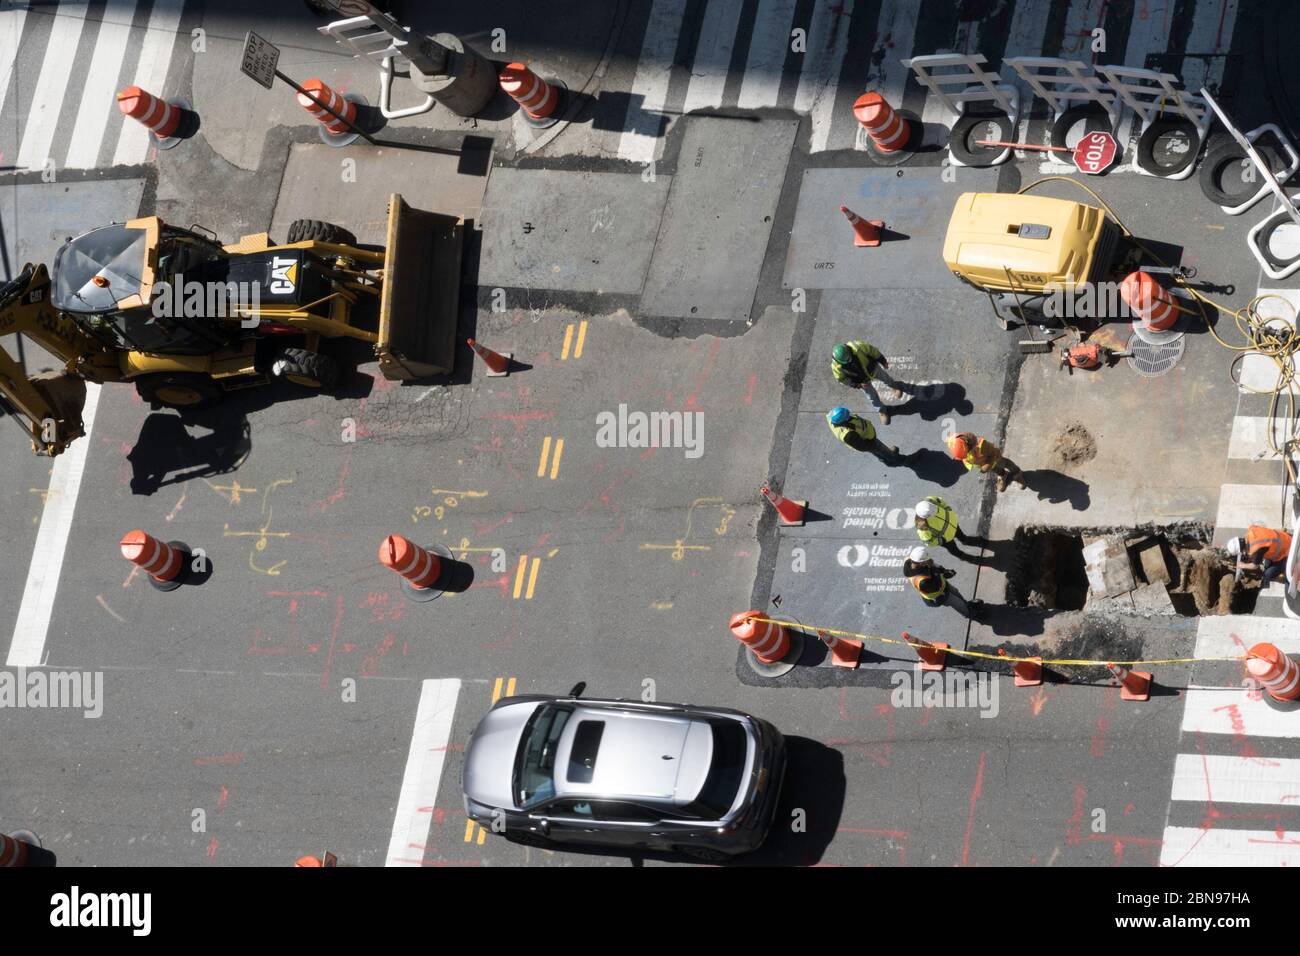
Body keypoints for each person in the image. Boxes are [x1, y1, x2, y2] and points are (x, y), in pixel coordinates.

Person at [831, 341, 913, 425]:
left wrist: (883, 361)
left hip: (873, 369)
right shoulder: (836, 367)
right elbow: (842, 379)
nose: (849, 360)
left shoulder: (858, 347)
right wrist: (857, 385)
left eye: (849, 357)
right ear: (839, 361)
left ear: (848, 350)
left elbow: (873, 351)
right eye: (847, 360)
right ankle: (882, 411)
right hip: (862, 381)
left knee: (886, 379)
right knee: (872, 397)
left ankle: (895, 386)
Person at [901, 547, 984, 619]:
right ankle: (970, 614)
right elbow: (936, 586)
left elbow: (933, 565)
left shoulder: (912, 560)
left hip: (943, 586)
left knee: (956, 593)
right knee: (958, 604)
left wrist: (944, 570)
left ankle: (967, 605)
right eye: (927, 560)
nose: (930, 561)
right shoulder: (922, 581)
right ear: (921, 563)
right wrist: (942, 574)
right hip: (940, 595)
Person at [946, 431, 1027, 491]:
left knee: (1007, 464)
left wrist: (987, 465)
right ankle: (1003, 475)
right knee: (996, 469)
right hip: (985, 464)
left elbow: (993, 453)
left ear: (971, 446)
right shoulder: (959, 444)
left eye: (966, 454)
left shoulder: (982, 446)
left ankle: (1017, 473)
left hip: (996, 459)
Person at [826, 406, 910, 462]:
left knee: (876, 451)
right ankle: (895, 458)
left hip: (866, 436)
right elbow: (863, 447)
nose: (849, 413)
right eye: (847, 415)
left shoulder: (832, 417)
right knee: (880, 449)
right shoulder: (849, 435)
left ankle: (882, 458)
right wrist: (873, 443)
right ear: (843, 422)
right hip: (869, 440)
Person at [914, 496, 977, 560]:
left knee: (962, 537)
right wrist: (941, 541)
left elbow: (942, 502)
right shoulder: (922, 529)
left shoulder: (931, 500)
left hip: (953, 525)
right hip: (946, 539)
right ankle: (963, 556)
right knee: (954, 549)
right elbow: (929, 542)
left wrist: (948, 510)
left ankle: (965, 541)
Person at [1226, 526, 1293, 585]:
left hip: (1288, 553)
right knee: (1267, 565)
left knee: (1267, 575)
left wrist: (1242, 565)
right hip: (1286, 538)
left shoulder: (1256, 548)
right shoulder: (1251, 529)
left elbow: (1255, 566)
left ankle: (1285, 574)